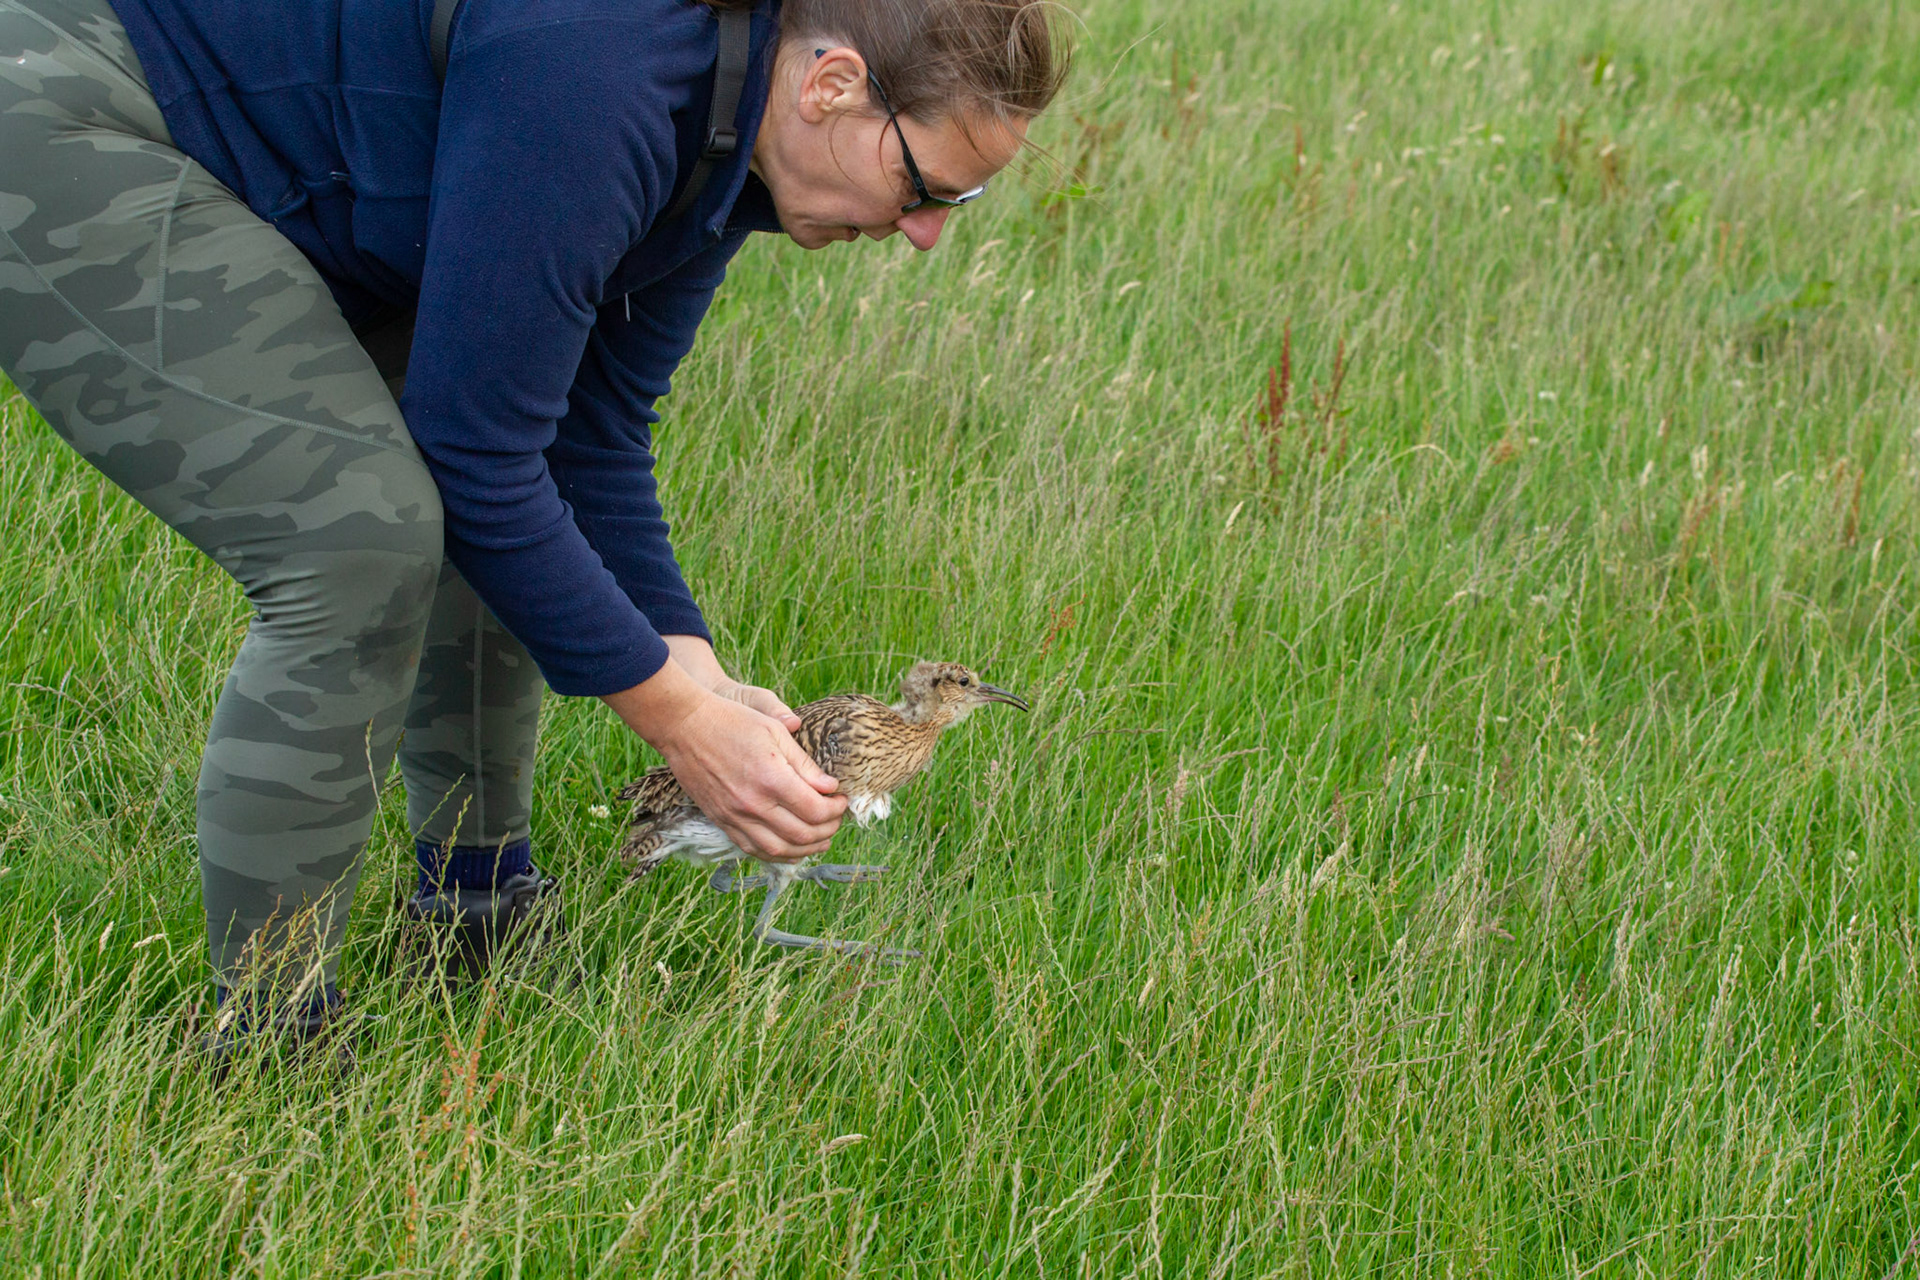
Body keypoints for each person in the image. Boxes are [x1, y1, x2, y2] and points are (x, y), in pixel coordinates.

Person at [0, 0, 1068, 1047]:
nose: (925, 234)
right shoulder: (600, 74)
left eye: (956, 207)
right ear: (830, 84)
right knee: (358, 534)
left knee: (505, 492)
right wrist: (683, 728)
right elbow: (475, 455)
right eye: (927, 187)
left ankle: (475, 906)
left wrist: (698, 676)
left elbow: (582, 439)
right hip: (74, 110)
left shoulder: (726, 141)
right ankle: (272, 1031)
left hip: (281, 173)